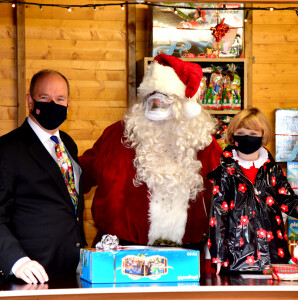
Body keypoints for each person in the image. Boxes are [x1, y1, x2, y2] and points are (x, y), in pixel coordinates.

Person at [79, 54, 222, 254]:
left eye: (165, 99)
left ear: (184, 105)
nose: (157, 104)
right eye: (151, 98)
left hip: (187, 255)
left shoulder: (204, 144)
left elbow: (226, 193)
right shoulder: (118, 135)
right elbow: (80, 173)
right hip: (122, 250)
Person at [0, 70, 86, 284]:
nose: (53, 104)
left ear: (68, 104)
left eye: (59, 99)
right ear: (30, 101)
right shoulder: (8, 149)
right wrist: (16, 261)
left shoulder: (68, 144)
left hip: (74, 271)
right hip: (30, 276)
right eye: (44, 98)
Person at [207, 107, 298, 274]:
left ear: (263, 136)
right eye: (241, 133)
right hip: (236, 257)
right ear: (233, 135)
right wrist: (219, 254)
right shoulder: (225, 172)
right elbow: (218, 214)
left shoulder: (273, 170)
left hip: (273, 253)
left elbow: (288, 201)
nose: (246, 138)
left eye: (252, 133)